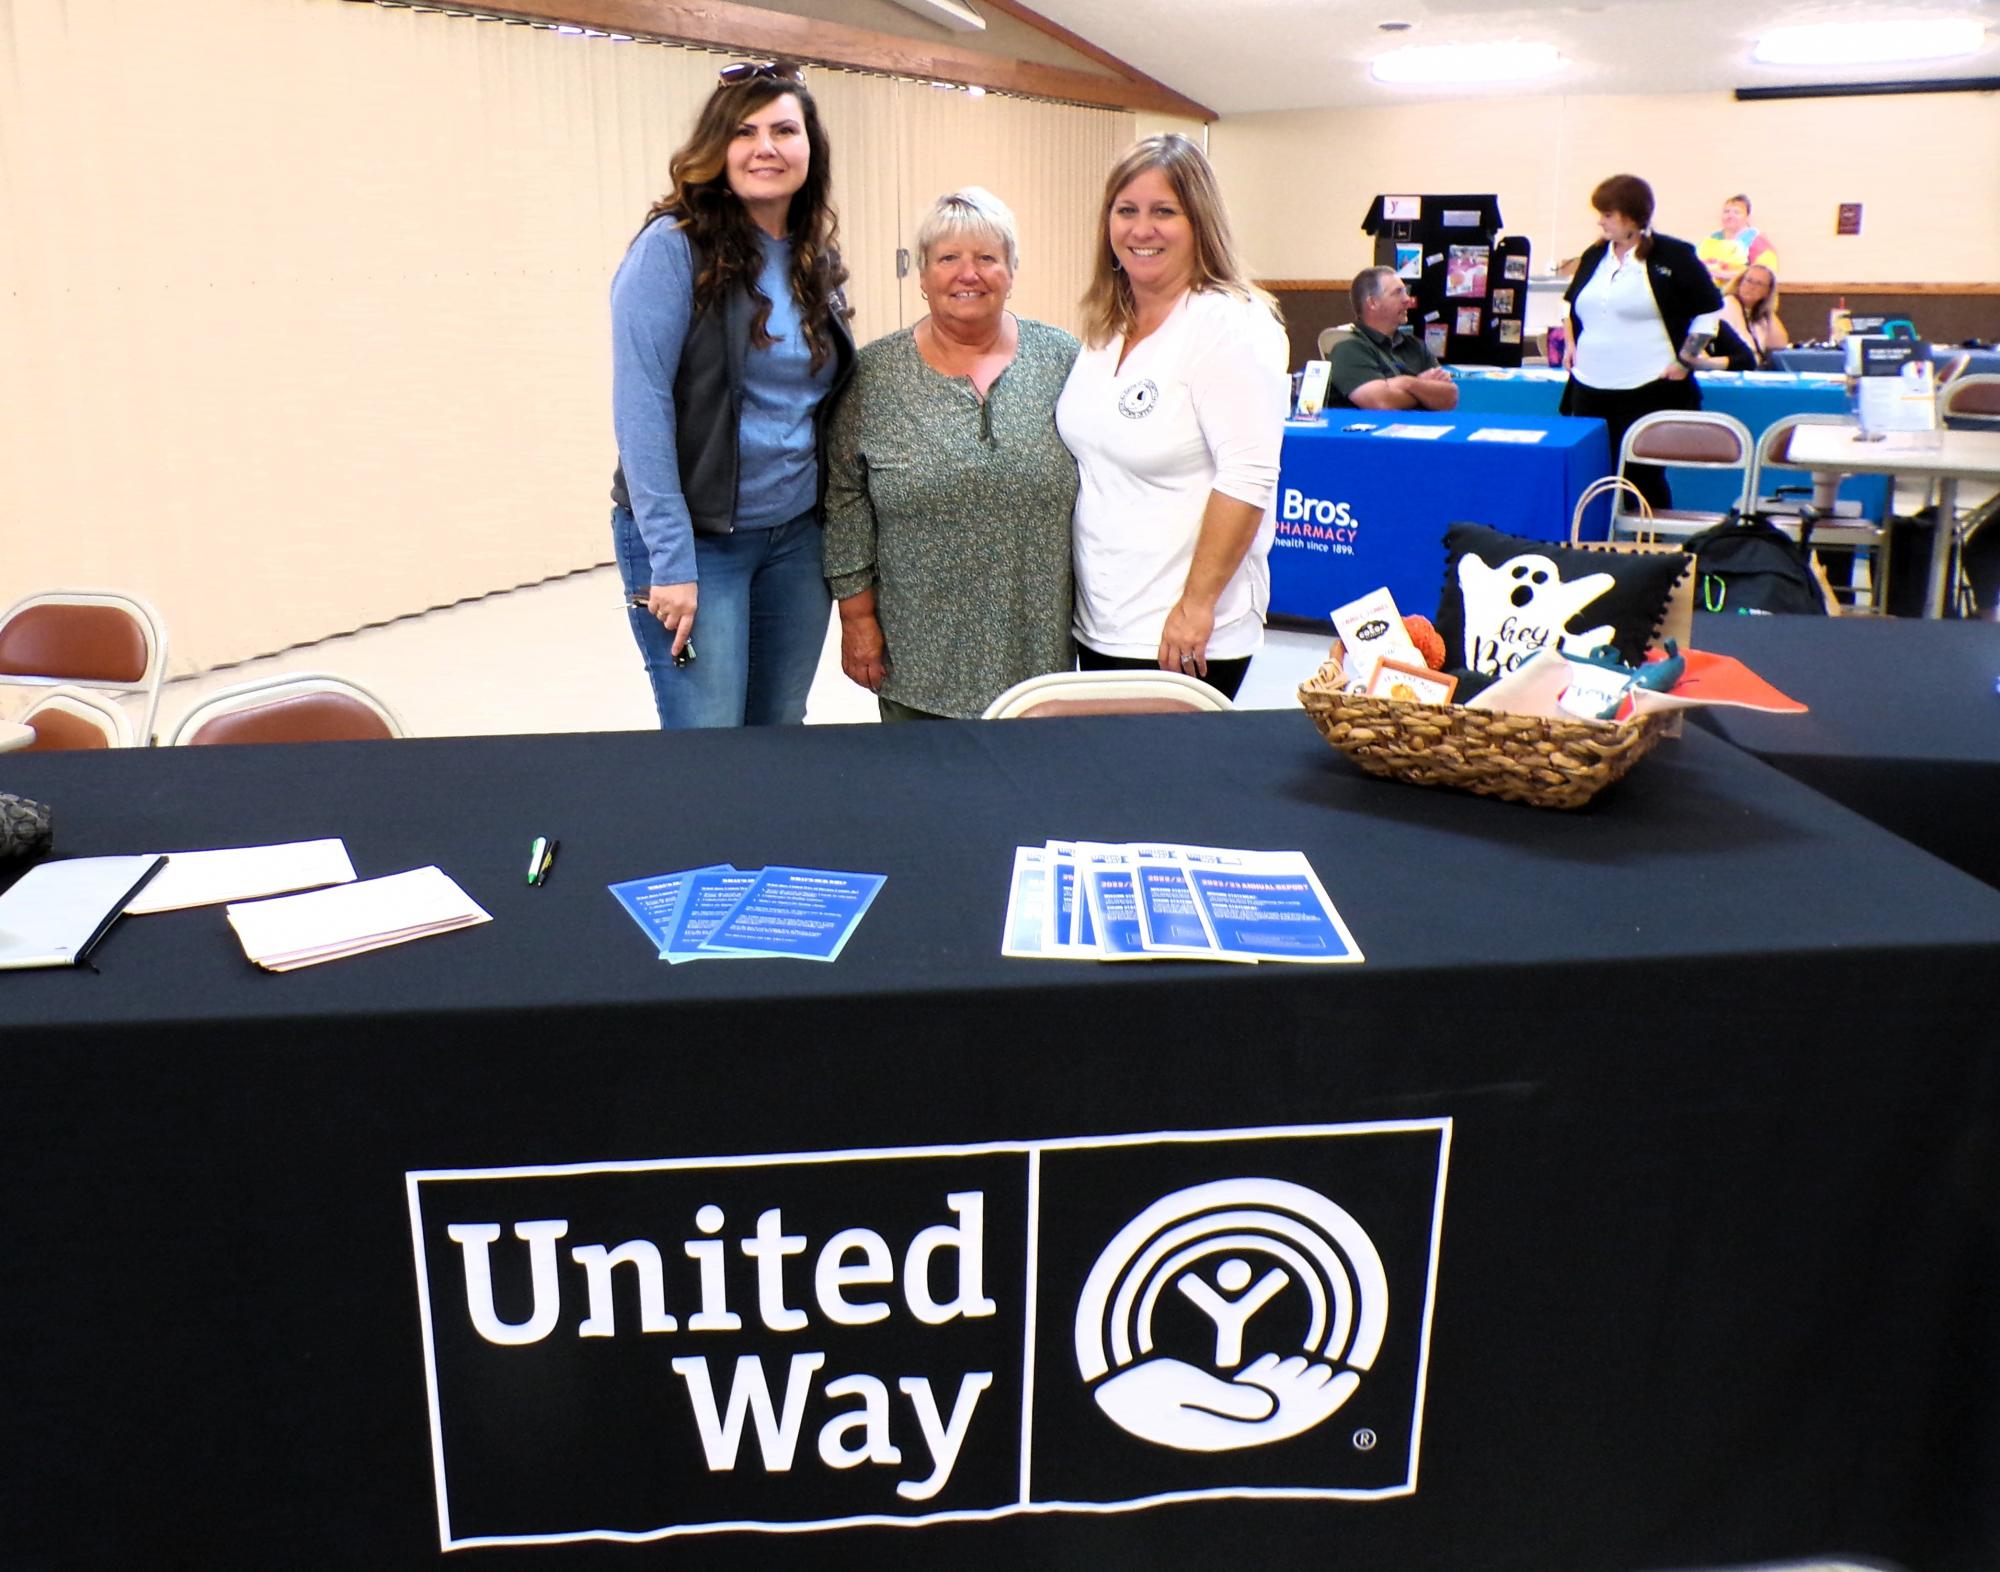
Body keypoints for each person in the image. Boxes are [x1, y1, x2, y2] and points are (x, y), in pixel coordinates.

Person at [609, 61, 855, 728]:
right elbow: (643, 411)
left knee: (779, 728)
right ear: (717, 148)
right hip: (698, 541)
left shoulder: (811, 257)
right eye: (744, 132)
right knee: (710, 744)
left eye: (784, 129)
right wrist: (671, 560)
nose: (765, 147)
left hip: (794, 539)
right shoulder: (671, 250)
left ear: (811, 146)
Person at [822, 189, 1080, 720]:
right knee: (924, 797)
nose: (969, 274)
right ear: (922, 275)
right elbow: (845, 498)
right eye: (948, 259)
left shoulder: (1064, 360)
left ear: (1011, 270)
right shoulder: (872, 377)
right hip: (917, 657)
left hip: (1038, 654)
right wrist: (857, 618)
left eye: (987, 258)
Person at [1057, 135, 1289, 702]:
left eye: (1165, 212)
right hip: (1105, 619)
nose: (1142, 230)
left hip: (1182, 633)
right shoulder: (1105, 326)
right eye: (1126, 210)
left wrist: (1196, 607)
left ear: (1200, 222)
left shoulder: (1229, 325)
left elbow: (1248, 477)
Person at [1560, 173, 1723, 510]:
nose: (1600, 221)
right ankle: (1591, 545)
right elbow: (1570, 303)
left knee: (1641, 477)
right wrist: (1571, 343)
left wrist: (1685, 360)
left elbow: (1709, 311)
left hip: (1648, 385)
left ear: (1631, 216)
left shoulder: (1673, 255)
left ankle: (1650, 549)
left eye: (1607, 214)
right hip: (1589, 385)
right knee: (1590, 475)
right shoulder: (1595, 256)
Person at [1326, 266, 1458, 411]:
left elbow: (1449, 397)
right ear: (1372, 303)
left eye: (1406, 292)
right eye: (1397, 293)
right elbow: (1381, 402)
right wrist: (1424, 388)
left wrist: (1407, 383)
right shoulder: (1349, 348)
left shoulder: (1415, 345)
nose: (1407, 299)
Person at [1710, 263, 1791, 370]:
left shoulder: (1759, 315)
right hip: (1735, 369)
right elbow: (1742, 347)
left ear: (1767, 292)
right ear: (1739, 283)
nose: (1752, 287)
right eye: (1748, 281)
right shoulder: (1729, 304)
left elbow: (1779, 345)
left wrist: (1769, 312)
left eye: (1759, 284)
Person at [1696, 194, 1779, 292]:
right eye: (1726, 211)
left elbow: (1765, 275)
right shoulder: (1711, 240)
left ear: (1747, 217)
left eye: (1737, 212)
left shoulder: (1757, 242)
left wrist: (1723, 275)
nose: (1730, 216)